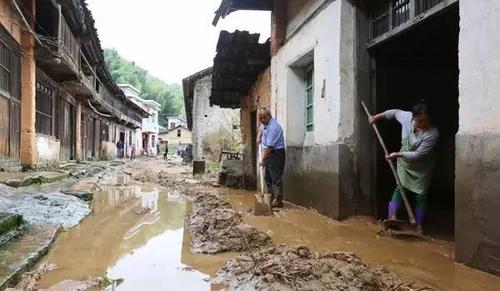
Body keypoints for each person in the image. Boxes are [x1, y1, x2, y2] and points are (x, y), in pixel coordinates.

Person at [369, 101, 439, 233]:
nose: (422, 124)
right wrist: (376, 117)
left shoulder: (433, 133)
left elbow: (418, 154)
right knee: (399, 188)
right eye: (419, 121)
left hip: (422, 167)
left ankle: (418, 224)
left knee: (421, 194)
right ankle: (392, 217)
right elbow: (393, 113)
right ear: (413, 118)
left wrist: (398, 154)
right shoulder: (407, 117)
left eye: (425, 121)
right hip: (405, 164)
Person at [258, 107, 285, 208]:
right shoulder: (265, 123)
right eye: (260, 118)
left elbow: (270, 147)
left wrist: (263, 159)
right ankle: (271, 197)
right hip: (269, 152)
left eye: (264, 118)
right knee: (267, 177)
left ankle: (278, 200)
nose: (262, 120)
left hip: (276, 153)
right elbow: (262, 127)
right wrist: (259, 135)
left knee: (275, 178)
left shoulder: (274, 127)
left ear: (269, 116)